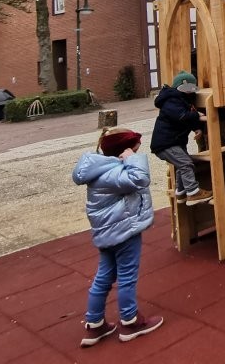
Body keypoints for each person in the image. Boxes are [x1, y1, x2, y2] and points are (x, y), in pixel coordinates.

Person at [73, 126, 163, 346]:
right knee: (127, 276)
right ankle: (131, 322)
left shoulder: (100, 169)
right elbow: (140, 179)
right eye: (135, 148)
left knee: (103, 276)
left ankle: (95, 324)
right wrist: (134, 159)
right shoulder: (115, 172)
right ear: (124, 150)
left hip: (106, 233)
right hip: (124, 232)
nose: (137, 151)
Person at [151, 70, 212, 205]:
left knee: (181, 165)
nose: (192, 91)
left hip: (173, 142)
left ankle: (181, 192)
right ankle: (193, 192)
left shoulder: (182, 100)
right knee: (186, 163)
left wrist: (196, 127)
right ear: (181, 87)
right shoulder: (171, 100)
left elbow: (185, 118)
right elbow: (181, 116)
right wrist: (198, 116)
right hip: (166, 143)